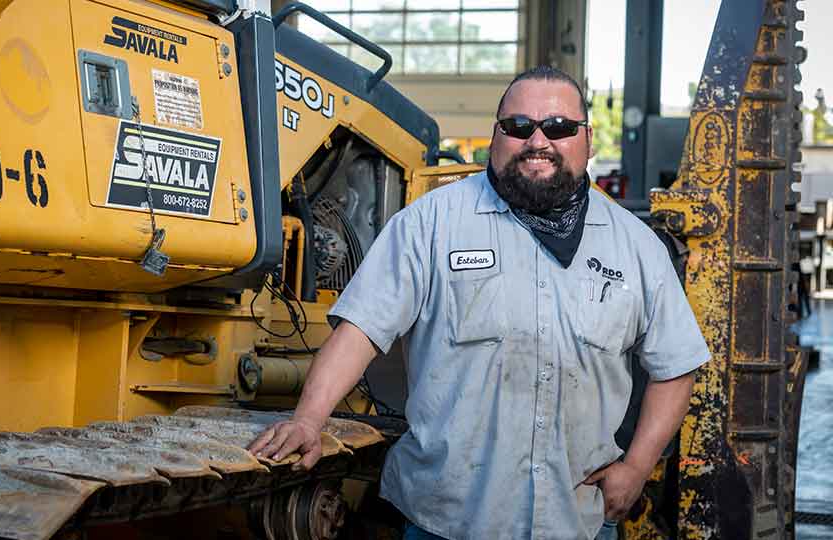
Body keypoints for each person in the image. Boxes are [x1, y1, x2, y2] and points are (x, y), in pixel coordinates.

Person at [248, 65, 710, 540]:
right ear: (496, 135)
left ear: (587, 139)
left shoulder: (633, 247)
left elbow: (675, 364)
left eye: (558, 127)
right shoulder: (429, 224)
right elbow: (361, 330)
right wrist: (308, 419)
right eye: (518, 126)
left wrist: (636, 466)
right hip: (445, 522)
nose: (538, 141)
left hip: (575, 521)